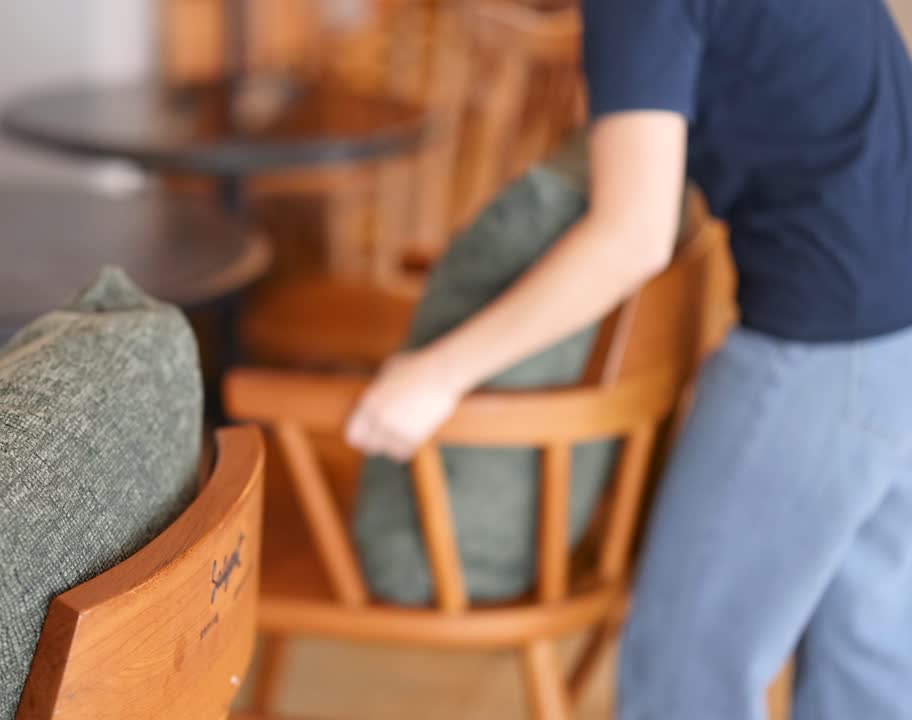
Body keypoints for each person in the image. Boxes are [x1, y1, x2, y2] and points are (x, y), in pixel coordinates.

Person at [344, 0, 912, 717]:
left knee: (682, 674)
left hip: (825, 349)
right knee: (870, 665)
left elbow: (632, 236)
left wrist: (437, 374)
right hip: (893, 335)